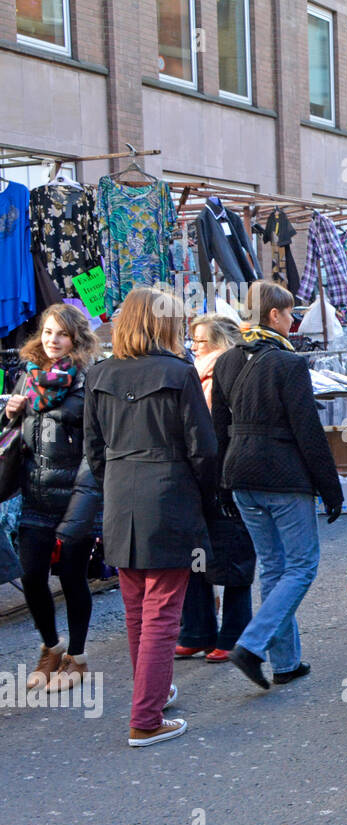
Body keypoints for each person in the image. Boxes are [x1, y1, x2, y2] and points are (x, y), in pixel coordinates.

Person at [84, 288, 219, 746]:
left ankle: (152, 695)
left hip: (121, 493)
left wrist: (114, 483)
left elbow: (94, 449)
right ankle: (145, 716)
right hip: (168, 492)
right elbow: (204, 449)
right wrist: (205, 497)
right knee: (162, 610)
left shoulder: (98, 373)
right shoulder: (178, 372)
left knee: (138, 607)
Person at [211, 280, 343, 689]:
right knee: (301, 566)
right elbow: (309, 432)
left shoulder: (227, 361)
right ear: (273, 316)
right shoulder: (289, 364)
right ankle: (252, 644)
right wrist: (331, 488)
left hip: (240, 477)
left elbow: (219, 429)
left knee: (273, 567)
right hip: (282, 477)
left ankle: (285, 663)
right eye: (289, 313)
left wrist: (222, 484)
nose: (294, 319)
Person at [7, 304, 101, 692]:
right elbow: (14, 436)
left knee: (74, 578)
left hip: (75, 495)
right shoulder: (26, 379)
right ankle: (51, 647)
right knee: (31, 576)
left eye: (61, 334)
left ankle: (76, 658)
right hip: (34, 494)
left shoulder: (88, 380)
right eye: (47, 333)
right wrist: (11, 412)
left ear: (75, 337)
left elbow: (97, 441)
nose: (53, 341)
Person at [175, 314, 255, 663]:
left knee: (235, 553)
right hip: (194, 474)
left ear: (222, 341)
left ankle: (234, 633)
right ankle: (197, 631)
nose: (194, 346)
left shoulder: (236, 372)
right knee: (194, 553)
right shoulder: (188, 375)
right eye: (192, 341)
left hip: (228, 471)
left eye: (201, 341)